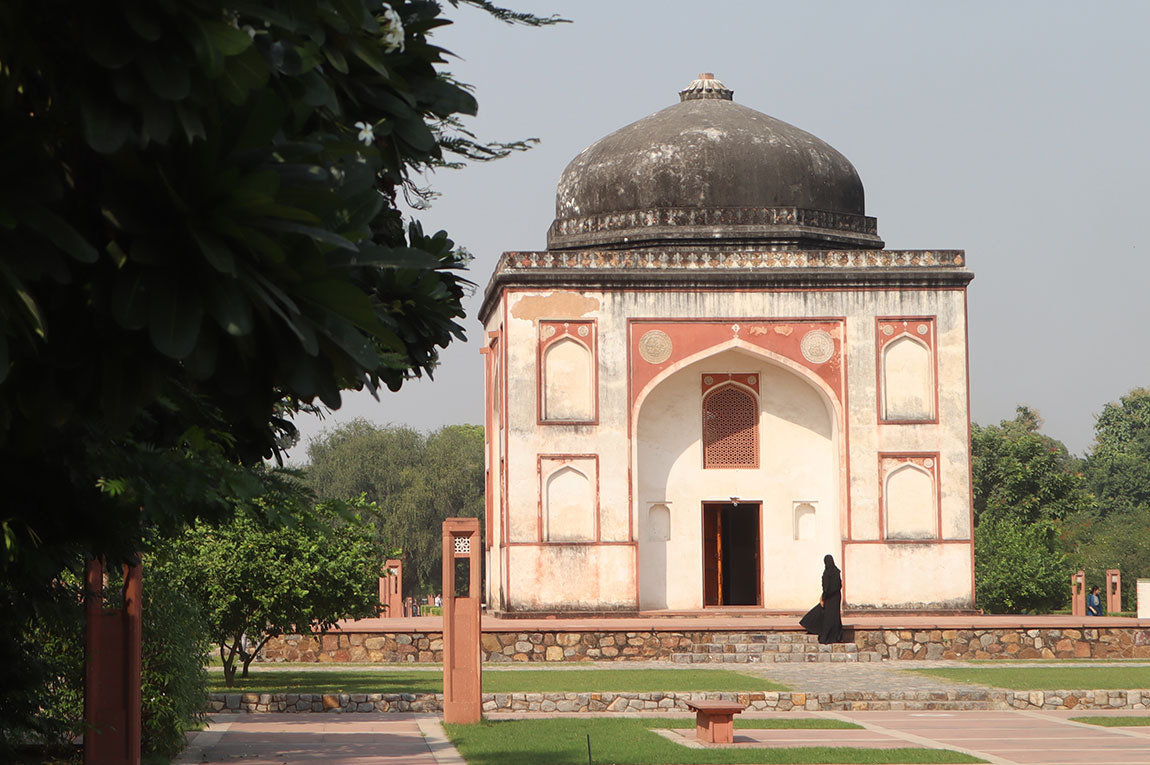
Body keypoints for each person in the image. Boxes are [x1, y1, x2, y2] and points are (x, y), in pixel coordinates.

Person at [799, 554, 844, 644]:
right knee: (835, 617)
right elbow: (839, 585)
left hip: (829, 598)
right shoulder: (836, 572)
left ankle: (826, 637)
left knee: (828, 617)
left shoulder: (827, 573)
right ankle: (837, 636)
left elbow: (826, 587)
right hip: (836, 597)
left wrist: (824, 597)